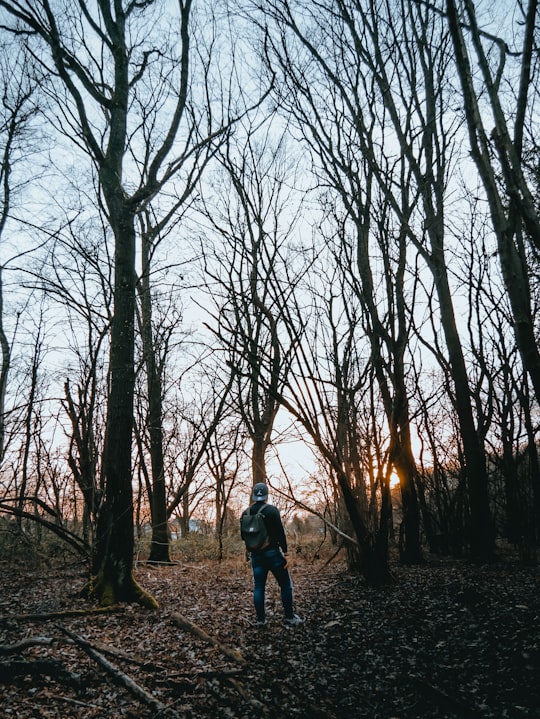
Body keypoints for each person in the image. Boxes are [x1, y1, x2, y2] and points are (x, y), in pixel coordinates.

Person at [243, 482, 303, 627]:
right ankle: (289, 617)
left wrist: (248, 551)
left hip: (256, 556)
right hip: (273, 554)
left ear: (253, 494)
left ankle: (261, 620)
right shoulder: (271, 511)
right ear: (266, 495)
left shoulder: (246, 513)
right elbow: (280, 533)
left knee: (258, 588)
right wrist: (287, 553)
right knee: (285, 585)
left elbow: (244, 535)